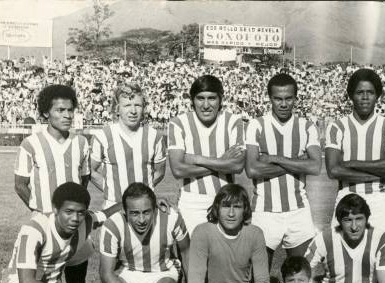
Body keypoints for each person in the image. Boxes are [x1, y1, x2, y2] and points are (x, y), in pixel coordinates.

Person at [14, 84, 93, 283]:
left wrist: (74, 210)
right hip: (47, 226)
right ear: (46, 113)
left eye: (70, 110)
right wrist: (42, 210)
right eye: (60, 110)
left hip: (74, 225)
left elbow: (83, 181)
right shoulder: (31, 144)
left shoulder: (81, 143)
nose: (67, 115)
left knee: (77, 280)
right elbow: (20, 184)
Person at [245, 73, 322, 269]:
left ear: (296, 98)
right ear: (270, 98)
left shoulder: (306, 126)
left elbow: (315, 166)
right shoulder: (257, 125)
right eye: (278, 98)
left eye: (289, 98)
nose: (283, 103)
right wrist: (297, 162)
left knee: (302, 274)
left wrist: (273, 159)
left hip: (298, 210)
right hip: (264, 210)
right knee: (258, 277)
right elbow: (252, 169)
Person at [324, 68, 385, 240]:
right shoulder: (337, 126)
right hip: (346, 195)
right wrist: (378, 170)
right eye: (360, 92)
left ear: (377, 96)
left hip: (378, 197)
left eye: (370, 92)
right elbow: (333, 170)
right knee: (341, 260)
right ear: (351, 95)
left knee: (381, 257)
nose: (365, 97)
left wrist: (350, 162)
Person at [168, 75, 245, 236]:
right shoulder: (178, 123)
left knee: (226, 258)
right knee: (194, 257)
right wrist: (222, 161)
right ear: (192, 101)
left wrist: (196, 159)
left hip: (227, 201)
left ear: (221, 99)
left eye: (212, 98)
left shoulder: (233, 121)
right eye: (200, 98)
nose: (206, 105)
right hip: (192, 201)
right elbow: (178, 170)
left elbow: (237, 166)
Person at [90, 82, 167, 209]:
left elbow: (160, 171)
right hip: (113, 206)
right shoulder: (103, 135)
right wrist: (111, 189)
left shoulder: (154, 136)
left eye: (137, 105)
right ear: (117, 109)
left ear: (143, 108)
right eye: (127, 105)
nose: (133, 111)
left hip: (144, 207)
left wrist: (142, 192)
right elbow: (91, 171)